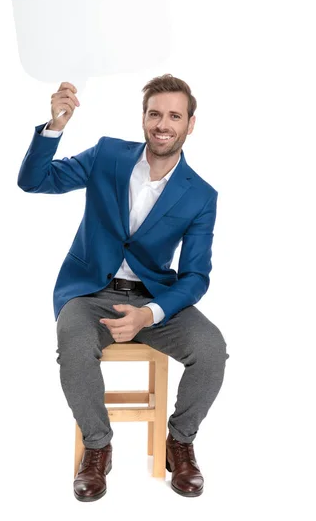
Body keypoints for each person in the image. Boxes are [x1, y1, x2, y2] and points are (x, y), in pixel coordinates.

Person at [17, 73, 230, 502]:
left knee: (210, 347)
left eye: (174, 115)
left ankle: (180, 441)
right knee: (73, 342)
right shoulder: (108, 155)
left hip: (153, 300)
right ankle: (97, 447)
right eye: (155, 114)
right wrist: (55, 126)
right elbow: (34, 180)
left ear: (190, 124)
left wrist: (148, 314)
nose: (162, 124)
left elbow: (194, 277)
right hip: (89, 293)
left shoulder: (201, 195)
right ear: (144, 118)